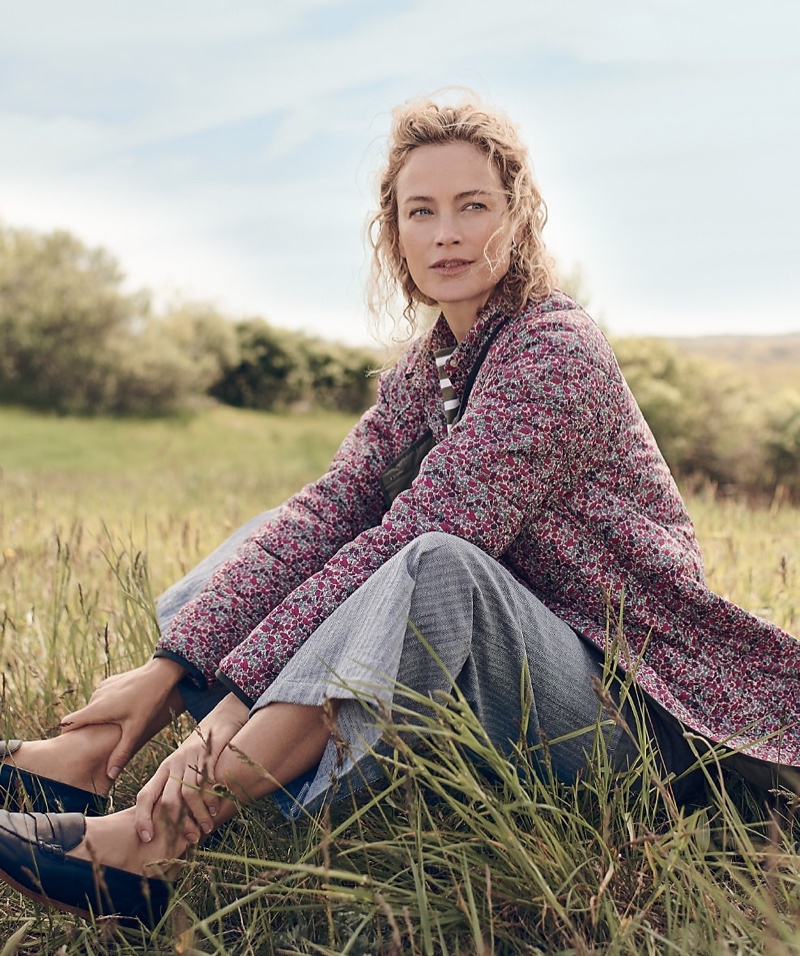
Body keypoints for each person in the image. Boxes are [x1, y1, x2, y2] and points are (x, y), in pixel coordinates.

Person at [1, 94, 799, 927]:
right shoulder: (434, 366)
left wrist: (233, 700)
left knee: (433, 565)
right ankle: (89, 754)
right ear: (395, 233)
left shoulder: (556, 355)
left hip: (633, 716)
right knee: (279, 533)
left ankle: (151, 842)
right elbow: (327, 512)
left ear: (518, 221)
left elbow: (417, 538)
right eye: (422, 211)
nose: (447, 233)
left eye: (473, 206)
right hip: (516, 683)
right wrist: (170, 668)